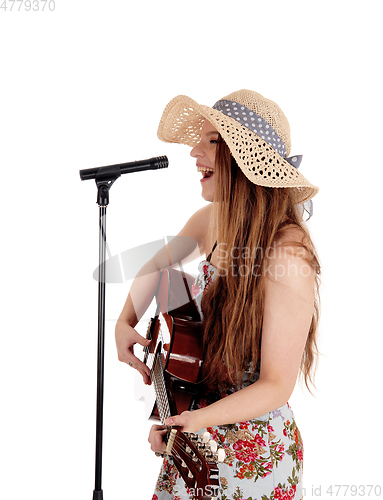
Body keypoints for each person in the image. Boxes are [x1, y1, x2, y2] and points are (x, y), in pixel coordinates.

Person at [115, 89, 320, 500]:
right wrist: (125, 321)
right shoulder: (210, 220)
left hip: (254, 451)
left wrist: (196, 421)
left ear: (245, 159)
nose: (194, 152)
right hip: (198, 431)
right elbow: (156, 267)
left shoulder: (287, 251)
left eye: (211, 142)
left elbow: (276, 384)